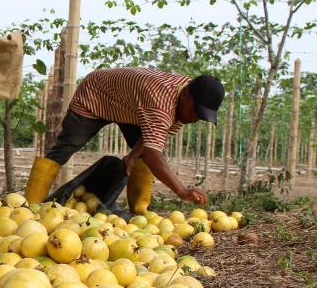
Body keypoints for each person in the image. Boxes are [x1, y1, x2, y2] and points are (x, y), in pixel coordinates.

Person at [24, 67, 225, 212]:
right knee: (67, 145)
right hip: (95, 94)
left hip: (130, 109)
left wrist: (132, 156)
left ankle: (139, 210)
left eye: (201, 116)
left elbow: (149, 138)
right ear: (187, 94)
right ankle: (29, 205)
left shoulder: (183, 102)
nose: (195, 118)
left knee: (141, 157)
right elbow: (153, 152)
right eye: (196, 111)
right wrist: (181, 190)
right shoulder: (161, 103)